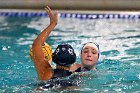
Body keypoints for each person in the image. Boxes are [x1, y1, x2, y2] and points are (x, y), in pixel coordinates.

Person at [32, 6, 76, 83]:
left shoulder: (46, 73)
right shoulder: (76, 78)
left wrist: (52, 24)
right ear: (73, 61)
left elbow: (36, 45)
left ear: (54, 57)